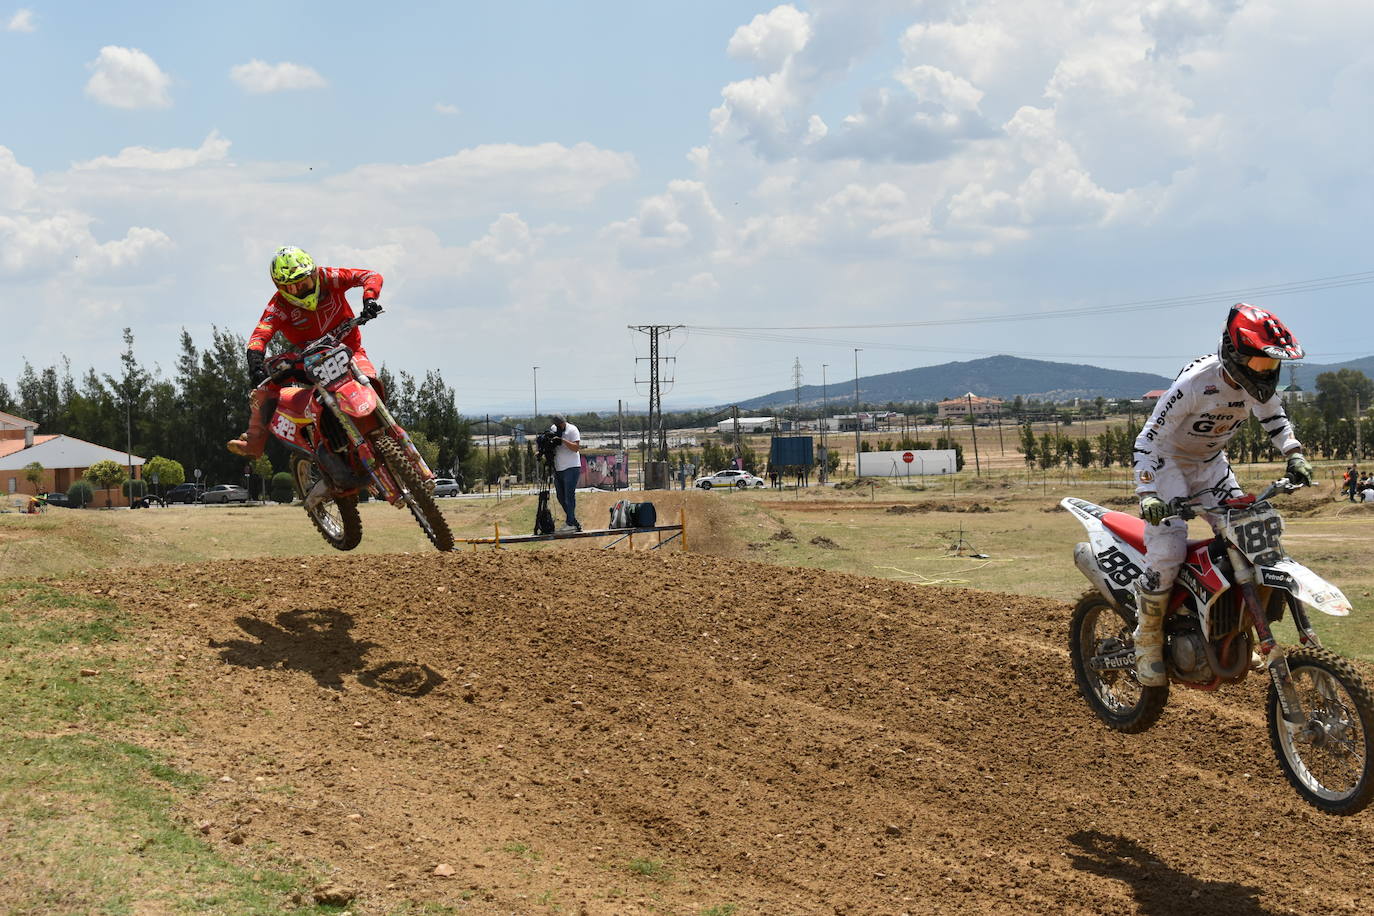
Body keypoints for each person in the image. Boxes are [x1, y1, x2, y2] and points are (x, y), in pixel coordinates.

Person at [1130, 303, 1314, 686]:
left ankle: (1241, 633)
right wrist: (1148, 493)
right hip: (1169, 464)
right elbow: (1148, 440)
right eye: (1259, 362)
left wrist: (1294, 454)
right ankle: (1146, 640)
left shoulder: (1254, 384)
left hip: (1211, 465)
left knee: (1254, 541)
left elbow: (1273, 417)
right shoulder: (1195, 384)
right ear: (1234, 352)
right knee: (1168, 550)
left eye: (1271, 364)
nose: (1265, 371)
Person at [227, 246, 383, 458]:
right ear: (281, 288)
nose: (302, 290)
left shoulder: (329, 277)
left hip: (350, 351)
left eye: (306, 282)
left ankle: (383, 432)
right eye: (294, 287)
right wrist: (254, 363)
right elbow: (260, 333)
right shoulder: (279, 304)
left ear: (314, 273)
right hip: (311, 362)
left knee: (371, 382)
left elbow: (370, 275)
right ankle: (254, 442)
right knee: (264, 382)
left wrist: (369, 299)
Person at [548, 414, 582, 532]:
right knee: (561, 497)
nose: (559, 427)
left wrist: (562, 440)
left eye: (561, 424)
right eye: (557, 425)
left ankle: (570, 523)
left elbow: (576, 448)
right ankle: (573, 522)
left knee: (569, 496)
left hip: (571, 467)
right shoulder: (553, 429)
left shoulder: (572, 430)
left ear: (564, 422)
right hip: (558, 468)